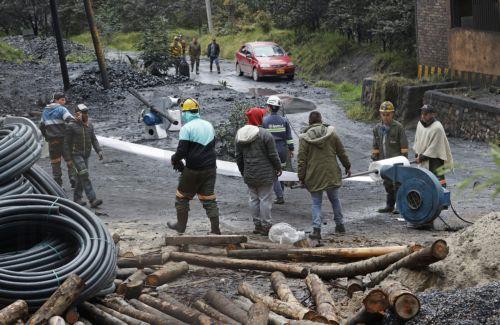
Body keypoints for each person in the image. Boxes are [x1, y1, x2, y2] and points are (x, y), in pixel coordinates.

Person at [168, 98, 221, 235]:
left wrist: (174, 160)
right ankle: (215, 230)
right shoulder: (209, 125)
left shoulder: (187, 128)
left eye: (183, 112)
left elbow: (182, 152)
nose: (183, 115)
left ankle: (181, 226)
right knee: (209, 199)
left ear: (186, 112)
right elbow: (212, 146)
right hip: (210, 168)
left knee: (182, 198)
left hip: (193, 169)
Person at [297, 111, 351, 240]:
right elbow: (341, 152)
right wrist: (347, 166)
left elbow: (301, 160)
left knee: (316, 203)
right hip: (331, 172)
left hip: (314, 174)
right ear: (321, 120)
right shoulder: (331, 134)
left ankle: (316, 230)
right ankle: (340, 225)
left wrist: (301, 177)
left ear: (309, 122)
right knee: (335, 199)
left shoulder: (305, 138)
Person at [236, 107, 282, 236]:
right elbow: (273, 155)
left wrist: (243, 171)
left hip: (249, 173)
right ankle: (266, 226)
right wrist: (278, 167)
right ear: (259, 118)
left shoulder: (240, 134)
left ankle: (257, 225)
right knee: (265, 199)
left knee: (253, 199)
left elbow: (238, 156)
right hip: (265, 173)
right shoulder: (265, 134)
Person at [371, 101, 409, 213]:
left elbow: (404, 146)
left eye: (388, 114)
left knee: (397, 184)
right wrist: (375, 156)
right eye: (383, 114)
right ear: (380, 114)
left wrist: (404, 160)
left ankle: (399, 206)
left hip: (396, 162)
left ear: (392, 114)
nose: (385, 117)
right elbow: (375, 144)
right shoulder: (377, 128)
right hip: (384, 161)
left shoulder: (398, 127)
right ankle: (389, 206)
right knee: (387, 184)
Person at [63, 104, 103, 208]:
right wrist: (68, 159)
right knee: (85, 175)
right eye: (83, 113)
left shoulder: (89, 125)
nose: (86, 115)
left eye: (86, 113)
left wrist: (99, 151)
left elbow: (94, 139)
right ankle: (92, 199)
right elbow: (66, 143)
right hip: (76, 155)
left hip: (86, 155)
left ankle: (77, 199)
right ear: (77, 114)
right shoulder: (71, 126)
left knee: (80, 177)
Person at [263, 95, 294, 204]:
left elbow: (263, 138)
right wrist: (291, 149)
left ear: (270, 107)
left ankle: (280, 196)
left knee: (273, 173)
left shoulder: (265, 121)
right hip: (282, 149)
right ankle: (280, 194)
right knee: (282, 171)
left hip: (271, 149)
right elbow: (289, 137)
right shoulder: (284, 120)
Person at [40, 93, 75, 188]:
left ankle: (58, 185)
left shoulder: (45, 111)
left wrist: (47, 137)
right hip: (64, 139)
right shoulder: (61, 109)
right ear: (56, 100)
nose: (64, 102)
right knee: (70, 159)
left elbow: (41, 126)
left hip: (52, 141)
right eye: (62, 100)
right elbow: (70, 120)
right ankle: (73, 179)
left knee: (55, 162)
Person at [413, 104, 453, 188]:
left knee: (438, 181)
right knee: (424, 181)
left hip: (436, 159)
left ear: (432, 114)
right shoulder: (420, 124)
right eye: (422, 113)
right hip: (422, 157)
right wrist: (417, 153)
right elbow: (417, 139)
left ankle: (442, 198)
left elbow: (434, 147)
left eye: (426, 114)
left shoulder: (437, 128)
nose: (423, 116)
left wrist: (421, 158)